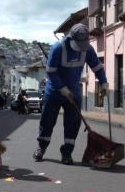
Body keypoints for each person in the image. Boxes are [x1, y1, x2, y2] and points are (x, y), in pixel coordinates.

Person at [33, 23, 109, 165]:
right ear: (70, 38)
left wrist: (104, 83)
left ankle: (67, 153)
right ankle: (41, 147)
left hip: (73, 92)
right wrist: (61, 88)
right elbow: (50, 71)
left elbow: (97, 67)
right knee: (47, 121)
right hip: (54, 92)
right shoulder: (58, 48)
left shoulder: (87, 49)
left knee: (73, 123)